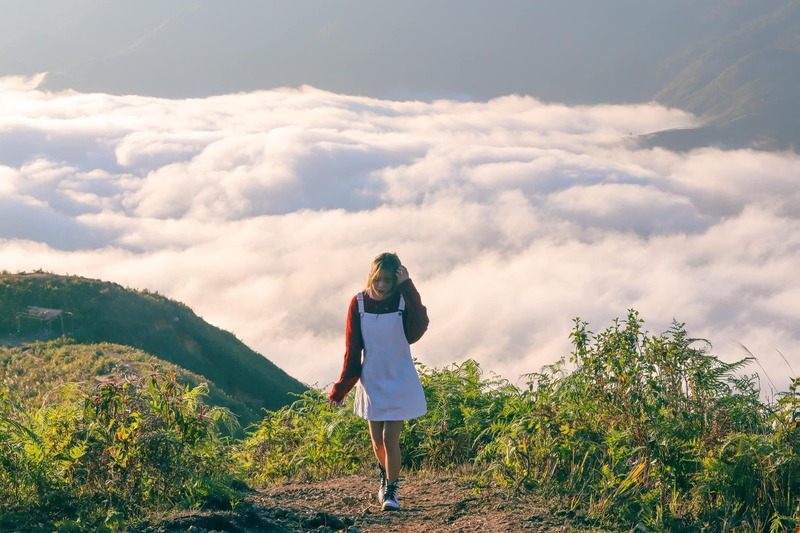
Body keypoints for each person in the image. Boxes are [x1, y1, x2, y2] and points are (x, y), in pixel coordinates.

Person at [329, 252, 429, 511]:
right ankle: (385, 479)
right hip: (371, 381)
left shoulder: (402, 301)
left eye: (388, 280)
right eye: (378, 279)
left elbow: (418, 328)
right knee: (377, 441)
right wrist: (341, 389)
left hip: (399, 377)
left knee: (389, 437)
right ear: (371, 277)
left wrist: (408, 286)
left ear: (396, 281)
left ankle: (392, 491)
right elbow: (353, 349)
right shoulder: (359, 304)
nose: (382, 285)